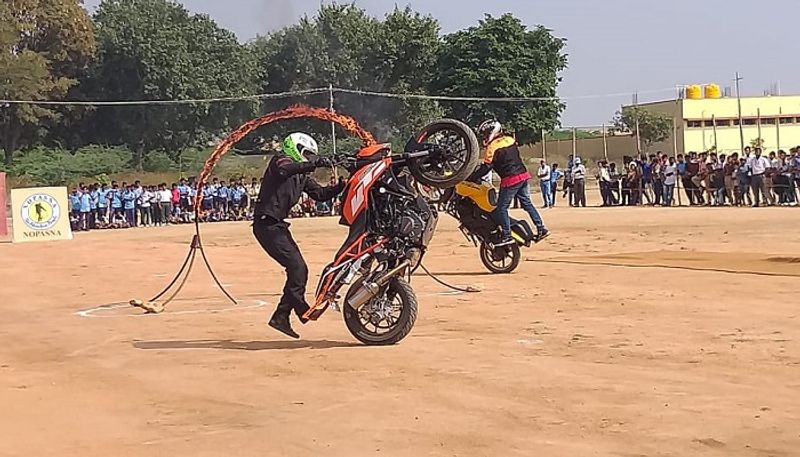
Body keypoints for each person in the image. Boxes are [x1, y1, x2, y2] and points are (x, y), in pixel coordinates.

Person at [253, 132, 345, 339]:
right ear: (295, 148)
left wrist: (340, 186)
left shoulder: (301, 176)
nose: (309, 158)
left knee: (298, 269)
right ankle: (301, 309)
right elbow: (286, 169)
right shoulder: (280, 162)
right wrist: (315, 164)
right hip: (266, 225)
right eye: (307, 153)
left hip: (278, 226)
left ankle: (281, 315)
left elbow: (320, 195)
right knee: (297, 267)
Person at [472, 120, 549, 247]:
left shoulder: (492, 147)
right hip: (523, 175)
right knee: (527, 203)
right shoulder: (510, 139)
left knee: (501, 208)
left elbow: (486, 168)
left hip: (510, 179)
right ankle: (541, 228)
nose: (485, 137)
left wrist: (472, 177)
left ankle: (507, 235)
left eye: (485, 133)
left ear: (492, 132)